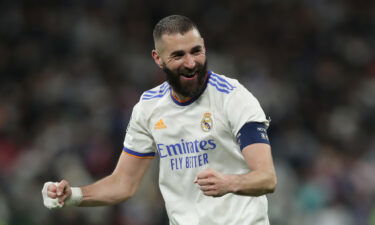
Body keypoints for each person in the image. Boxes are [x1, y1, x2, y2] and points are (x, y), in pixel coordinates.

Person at [42, 15, 277, 225]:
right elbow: (123, 184)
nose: (190, 63)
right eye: (178, 55)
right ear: (158, 58)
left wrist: (229, 183)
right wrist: (72, 195)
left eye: (196, 51)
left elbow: (266, 177)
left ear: (204, 46)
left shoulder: (233, 97)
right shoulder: (149, 107)